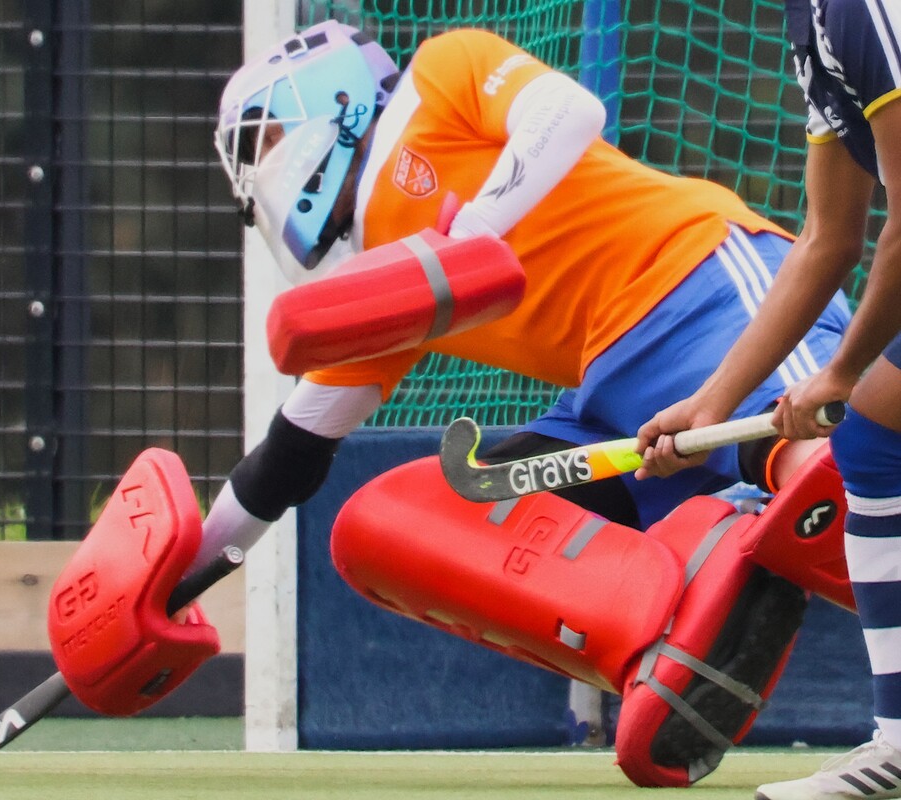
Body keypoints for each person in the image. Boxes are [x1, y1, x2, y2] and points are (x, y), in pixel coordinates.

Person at [196, 18, 851, 571]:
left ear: (330, 96)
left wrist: (473, 233)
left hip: (700, 283)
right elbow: (288, 457)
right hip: (614, 395)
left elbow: (568, 113)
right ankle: (689, 655)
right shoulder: (383, 283)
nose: (266, 171)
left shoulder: (438, 74)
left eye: (269, 137)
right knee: (475, 522)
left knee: (813, 455)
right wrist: (180, 576)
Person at [636, 1, 901, 797]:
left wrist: (843, 371)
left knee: (878, 428)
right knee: (877, 441)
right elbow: (829, 235)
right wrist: (713, 402)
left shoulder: (864, 11)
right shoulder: (817, 21)